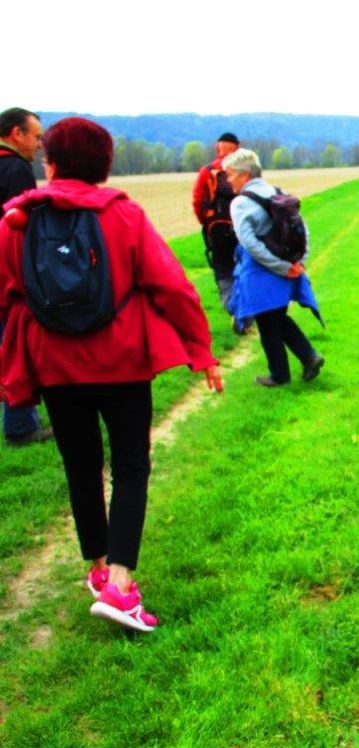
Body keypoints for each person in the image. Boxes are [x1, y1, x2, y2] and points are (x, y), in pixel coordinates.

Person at [0, 117, 224, 632]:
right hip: (121, 361)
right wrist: (201, 350)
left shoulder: (16, 221)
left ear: (49, 164)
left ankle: (98, 570)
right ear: (104, 167)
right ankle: (122, 585)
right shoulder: (123, 216)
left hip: (55, 365)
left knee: (80, 466)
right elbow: (173, 287)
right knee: (129, 465)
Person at [223, 148, 324, 387]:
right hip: (287, 271)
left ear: (244, 175)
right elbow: (303, 229)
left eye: (230, 174)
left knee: (268, 322)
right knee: (276, 318)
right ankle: (309, 358)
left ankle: (280, 375)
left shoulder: (240, 203)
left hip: (262, 273)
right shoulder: (278, 192)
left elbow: (249, 244)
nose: (228, 180)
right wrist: (299, 263)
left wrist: (280, 267)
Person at [0, 107, 52, 446]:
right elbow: (21, 228)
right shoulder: (16, 168)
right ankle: (20, 426)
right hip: (7, 273)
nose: (38, 145)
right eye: (35, 137)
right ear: (17, 134)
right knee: (13, 344)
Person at [191, 131, 246, 330]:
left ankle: (235, 308)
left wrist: (207, 224)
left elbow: (198, 201)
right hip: (242, 228)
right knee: (244, 267)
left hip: (218, 230)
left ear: (218, 147)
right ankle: (245, 310)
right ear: (237, 147)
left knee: (223, 271)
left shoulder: (207, 171)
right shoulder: (245, 169)